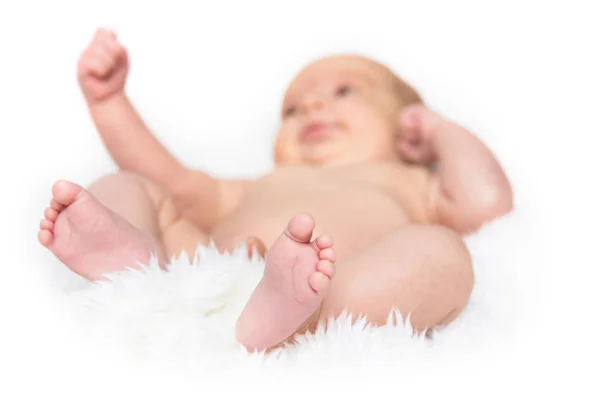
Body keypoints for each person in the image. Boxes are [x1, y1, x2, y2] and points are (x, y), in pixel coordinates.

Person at [38, 28, 513, 352]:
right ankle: (134, 263)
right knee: (134, 187)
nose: (312, 106)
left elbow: (487, 203)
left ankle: (309, 314)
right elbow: (172, 182)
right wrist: (108, 102)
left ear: (404, 128)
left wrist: (437, 128)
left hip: (329, 287)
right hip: (210, 276)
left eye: (345, 91)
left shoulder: (413, 182)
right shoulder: (259, 185)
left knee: (443, 252)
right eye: (292, 110)